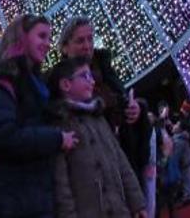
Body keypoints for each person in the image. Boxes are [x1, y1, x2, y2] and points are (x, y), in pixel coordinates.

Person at [0, 14, 77, 218]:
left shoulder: (34, 85)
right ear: (21, 38)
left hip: (23, 195)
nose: (48, 44)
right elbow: (0, 135)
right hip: (3, 200)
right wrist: (56, 139)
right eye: (41, 36)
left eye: (49, 38)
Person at [58, 18, 152, 195]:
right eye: (80, 41)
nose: (87, 45)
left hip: (126, 151)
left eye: (90, 39)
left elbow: (124, 98)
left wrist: (135, 108)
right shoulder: (60, 82)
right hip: (95, 165)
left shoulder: (105, 68)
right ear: (64, 47)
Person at [48, 57, 146, 218]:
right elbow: (61, 182)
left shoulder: (99, 118)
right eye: (85, 76)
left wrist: (136, 202)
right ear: (66, 84)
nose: (92, 81)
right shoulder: (61, 125)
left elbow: (121, 162)